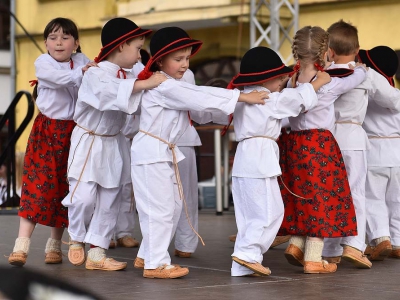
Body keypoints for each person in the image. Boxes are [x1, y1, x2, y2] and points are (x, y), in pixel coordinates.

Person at [131, 26, 268, 279]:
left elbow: (199, 109)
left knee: (171, 207)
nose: (185, 64)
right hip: (151, 153)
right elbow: (199, 96)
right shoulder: (163, 86)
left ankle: (148, 255)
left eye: (187, 59)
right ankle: (154, 263)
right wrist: (243, 98)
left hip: (163, 152)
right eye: (178, 59)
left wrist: (234, 109)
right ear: (160, 60)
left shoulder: (174, 84)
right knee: (159, 209)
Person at [61, 17, 166, 271]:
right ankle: (76, 236)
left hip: (115, 142)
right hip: (89, 141)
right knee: (83, 197)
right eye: (137, 48)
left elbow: (139, 93)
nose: (140, 54)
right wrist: (145, 84)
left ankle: (97, 252)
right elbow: (110, 93)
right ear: (121, 46)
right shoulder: (95, 73)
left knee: (111, 199)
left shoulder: (133, 73)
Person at [229, 46, 330, 277]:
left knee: (248, 215)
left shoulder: (244, 98)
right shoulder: (267, 98)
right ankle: (247, 254)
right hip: (259, 160)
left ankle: (241, 265)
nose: (282, 81)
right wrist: (318, 82)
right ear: (265, 80)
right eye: (278, 78)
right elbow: (296, 100)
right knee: (269, 212)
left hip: (245, 159)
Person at [277, 25, 367, 274]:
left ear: (296, 54)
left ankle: (296, 244)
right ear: (327, 52)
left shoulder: (291, 82)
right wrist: (360, 68)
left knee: (301, 194)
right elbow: (355, 80)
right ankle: (314, 259)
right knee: (321, 198)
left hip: (294, 143)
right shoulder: (326, 84)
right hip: (319, 144)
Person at [8, 17, 94, 266]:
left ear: (76, 42)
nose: (59, 42)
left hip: (76, 132)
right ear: (45, 42)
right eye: (53, 38)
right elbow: (62, 79)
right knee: (38, 186)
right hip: (47, 131)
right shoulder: (43, 63)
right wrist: (86, 72)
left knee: (67, 188)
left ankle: (54, 246)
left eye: (65, 37)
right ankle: (21, 247)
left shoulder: (83, 61)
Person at [321, 20, 372, 268]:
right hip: (353, 136)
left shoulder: (324, 75)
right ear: (358, 48)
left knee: (333, 192)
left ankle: (330, 249)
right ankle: (354, 244)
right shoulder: (363, 73)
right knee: (356, 192)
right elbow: (387, 99)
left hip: (329, 137)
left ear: (329, 50)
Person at [358, 46, 400, 261]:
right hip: (397, 153)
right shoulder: (397, 96)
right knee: (397, 200)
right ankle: (398, 242)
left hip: (374, 152)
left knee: (373, 198)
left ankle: (380, 237)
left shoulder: (367, 95)